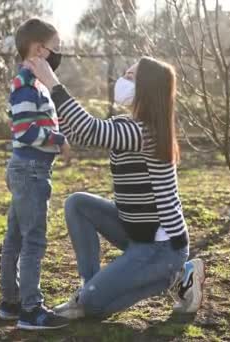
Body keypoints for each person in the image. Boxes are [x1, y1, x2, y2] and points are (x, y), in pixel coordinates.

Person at [23, 55, 206, 320]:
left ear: (147, 89)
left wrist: (52, 81)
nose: (122, 80)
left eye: (131, 77)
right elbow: (81, 133)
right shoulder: (126, 126)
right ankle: (90, 285)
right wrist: (37, 110)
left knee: (93, 307)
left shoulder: (145, 133)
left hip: (161, 248)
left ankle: (177, 278)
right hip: (134, 231)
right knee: (77, 203)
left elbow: (91, 129)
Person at [0, 18, 70, 330]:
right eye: (56, 49)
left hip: (27, 170)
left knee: (15, 238)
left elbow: (30, 124)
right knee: (33, 242)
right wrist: (59, 140)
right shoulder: (27, 85)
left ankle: (10, 303)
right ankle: (31, 310)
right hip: (31, 172)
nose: (58, 56)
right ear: (40, 50)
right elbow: (26, 131)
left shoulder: (31, 84)